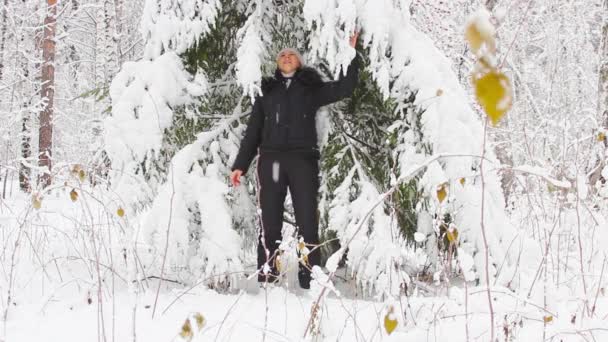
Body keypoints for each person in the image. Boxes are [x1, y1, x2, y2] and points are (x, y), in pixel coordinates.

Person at [230, 33, 360, 289]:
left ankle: (309, 276)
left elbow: (345, 88)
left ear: (298, 62)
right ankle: (269, 275)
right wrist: (240, 165)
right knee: (270, 219)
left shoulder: (311, 89)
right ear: (278, 63)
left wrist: (351, 53)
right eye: (282, 56)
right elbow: (253, 131)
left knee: (307, 220)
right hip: (272, 162)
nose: (287, 57)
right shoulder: (266, 91)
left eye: (292, 55)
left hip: (302, 161)